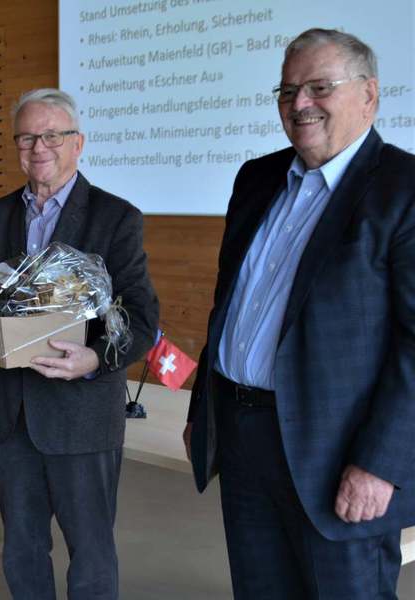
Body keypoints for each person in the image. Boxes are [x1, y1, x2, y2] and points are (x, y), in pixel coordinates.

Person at [184, 28, 415, 598]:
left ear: (369, 95)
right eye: (288, 91)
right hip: (243, 438)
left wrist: (379, 465)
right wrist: (203, 409)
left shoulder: (404, 189)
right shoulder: (257, 178)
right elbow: (228, 308)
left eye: (319, 87)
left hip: (338, 456)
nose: (299, 104)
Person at [0, 88, 158, 599]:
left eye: (52, 135)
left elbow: (140, 318)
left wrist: (95, 357)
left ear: (78, 143)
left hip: (82, 414)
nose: (39, 147)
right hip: (13, 411)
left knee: (91, 553)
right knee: (22, 549)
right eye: (28, 136)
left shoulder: (116, 217)